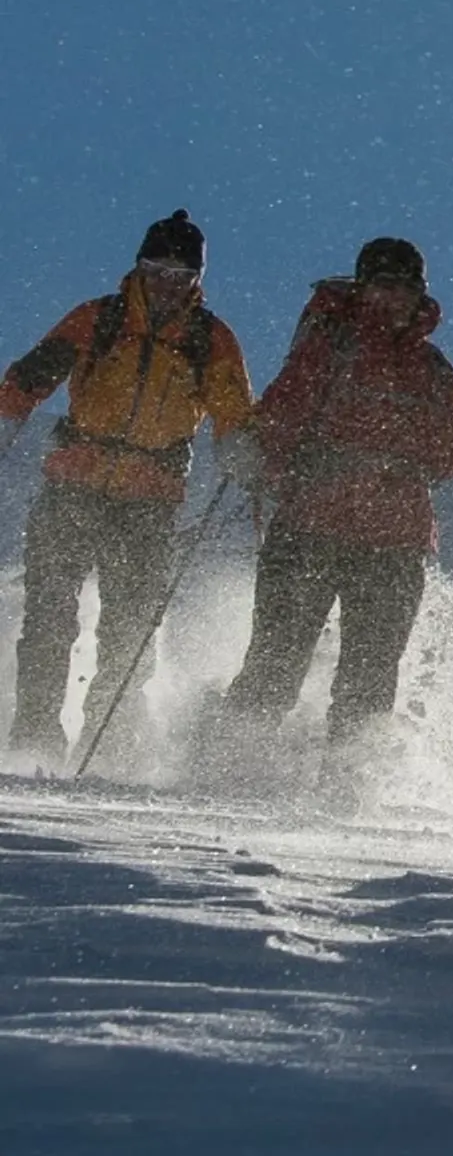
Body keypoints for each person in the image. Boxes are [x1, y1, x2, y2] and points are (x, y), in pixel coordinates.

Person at [218, 237, 453, 746]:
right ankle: (227, 767)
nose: (396, 298)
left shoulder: (433, 370)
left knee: (369, 682)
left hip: (395, 541)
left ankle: (349, 788)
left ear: (421, 295)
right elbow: (282, 416)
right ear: (363, 288)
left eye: (407, 288)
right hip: (309, 527)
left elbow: (446, 452)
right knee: (275, 663)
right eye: (384, 286)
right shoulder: (327, 348)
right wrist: (251, 448)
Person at [2, 211, 256, 763]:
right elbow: (30, 375)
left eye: (179, 274)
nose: (167, 282)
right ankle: (35, 741)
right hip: (72, 483)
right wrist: (8, 414)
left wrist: (239, 445)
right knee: (49, 616)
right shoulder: (98, 319)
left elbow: (233, 408)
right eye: (156, 268)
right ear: (138, 268)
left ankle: (109, 744)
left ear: (196, 279)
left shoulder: (209, 339)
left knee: (131, 629)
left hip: (150, 500)